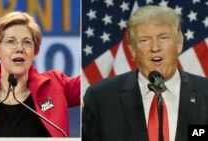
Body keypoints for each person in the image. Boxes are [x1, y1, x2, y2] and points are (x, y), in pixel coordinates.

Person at [82, 5, 208, 141]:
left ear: (179, 44)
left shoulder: (205, 93)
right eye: (144, 40)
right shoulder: (101, 98)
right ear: (132, 50)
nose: (155, 47)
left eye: (163, 37)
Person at [0, 11, 80, 137]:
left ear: (35, 52)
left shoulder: (56, 84)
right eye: (11, 42)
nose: (19, 48)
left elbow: (95, 86)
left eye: (27, 42)